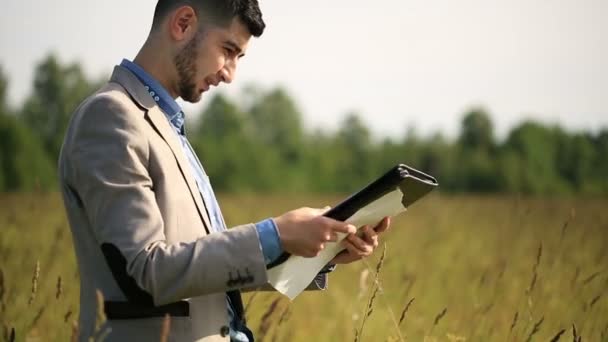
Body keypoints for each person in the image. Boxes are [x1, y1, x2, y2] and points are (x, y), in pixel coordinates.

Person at [58, 0, 391, 341]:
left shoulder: (167, 126)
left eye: (239, 58)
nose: (230, 74)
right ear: (183, 23)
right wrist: (274, 235)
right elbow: (146, 271)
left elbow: (201, 270)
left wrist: (321, 247)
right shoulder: (111, 117)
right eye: (228, 50)